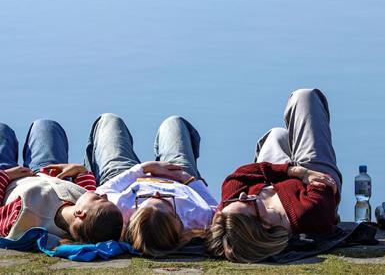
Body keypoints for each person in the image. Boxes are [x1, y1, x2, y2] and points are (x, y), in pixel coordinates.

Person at [205, 88, 342, 263]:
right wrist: (306, 171)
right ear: (264, 225)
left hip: (289, 174)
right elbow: (324, 186)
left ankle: (291, 158)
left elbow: (237, 176)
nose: (242, 195)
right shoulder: (306, 213)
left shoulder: (231, 213)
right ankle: (296, 151)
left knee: (276, 135)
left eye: (230, 203)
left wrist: (294, 171)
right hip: (316, 172)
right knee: (305, 98)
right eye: (247, 202)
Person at [84, 113, 218, 257]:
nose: (156, 193)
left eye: (145, 200)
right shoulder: (197, 218)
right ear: (178, 221)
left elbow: (100, 192)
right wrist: (191, 181)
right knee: (174, 123)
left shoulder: (121, 212)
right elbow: (216, 209)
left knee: (109, 121)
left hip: (126, 178)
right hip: (179, 177)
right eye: (166, 201)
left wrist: (145, 168)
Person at [0, 119, 123, 243]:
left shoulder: (25, 214)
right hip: (43, 175)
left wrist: (1, 177)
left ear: (80, 213)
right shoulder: (82, 212)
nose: (104, 196)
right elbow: (85, 190)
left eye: (99, 199)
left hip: (0, 187)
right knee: (47, 126)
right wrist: (80, 171)